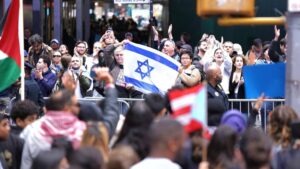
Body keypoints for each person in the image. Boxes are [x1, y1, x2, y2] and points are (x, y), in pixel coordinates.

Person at [20, 90, 87, 169]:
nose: (79, 107)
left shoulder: (31, 129)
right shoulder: (83, 129)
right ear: (67, 107)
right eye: (77, 105)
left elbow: (25, 162)